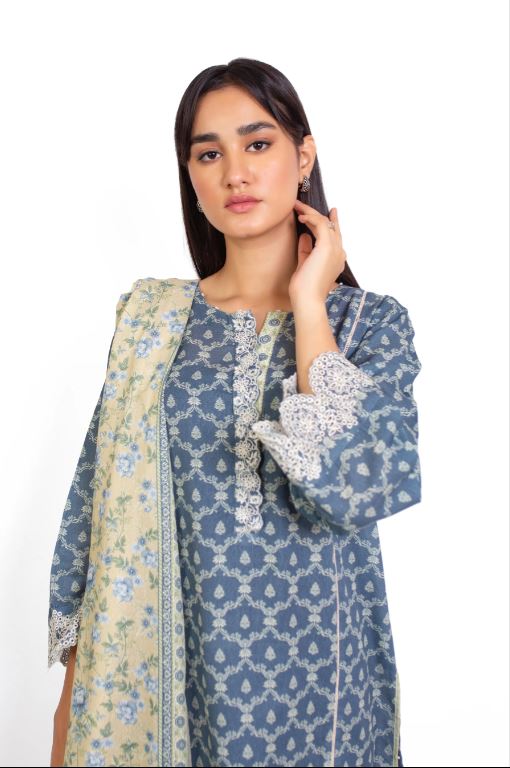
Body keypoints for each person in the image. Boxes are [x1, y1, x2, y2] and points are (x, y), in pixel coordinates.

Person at [49, 57, 419, 767]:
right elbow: (94, 518)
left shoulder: (371, 326)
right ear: (190, 176)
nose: (235, 173)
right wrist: (73, 704)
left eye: (258, 144)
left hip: (325, 689)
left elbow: (361, 484)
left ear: (303, 157)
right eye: (209, 154)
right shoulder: (150, 322)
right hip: (165, 683)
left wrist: (310, 303)